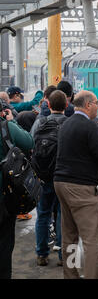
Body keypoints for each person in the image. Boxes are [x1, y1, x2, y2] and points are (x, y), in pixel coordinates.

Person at [54, 90, 98, 279]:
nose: (97, 106)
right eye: (96, 102)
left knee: (69, 237)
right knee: (93, 240)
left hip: (61, 184)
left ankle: (71, 275)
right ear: (88, 105)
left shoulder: (66, 124)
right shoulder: (89, 126)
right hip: (81, 189)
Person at [31, 90, 68, 267]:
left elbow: (30, 145)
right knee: (62, 215)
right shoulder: (69, 124)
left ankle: (41, 254)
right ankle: (62, 255)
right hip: (63, 177)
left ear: (49, 105)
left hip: (43, 176)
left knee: (43, 215)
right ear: (66, 105)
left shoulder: (40, 123)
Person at [0, 104, 34, 279]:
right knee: (4, 243)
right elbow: (29, 141)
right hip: (4, 196)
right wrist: (11, 121)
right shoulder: (6, 126)